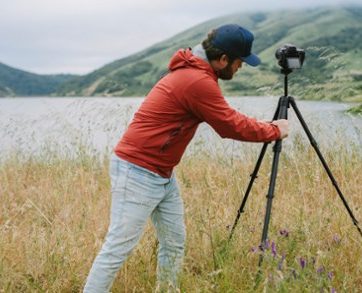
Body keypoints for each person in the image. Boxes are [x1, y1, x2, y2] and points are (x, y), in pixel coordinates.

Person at [83, 23, 290, 292]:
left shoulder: (195, 73)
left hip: (162, 173)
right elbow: (229, 126)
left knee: (174, 241)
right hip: (138, 171)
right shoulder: (197, 80)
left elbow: (227, 117)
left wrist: (262, 125)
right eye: (240, 62)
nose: (240, 68)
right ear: (224, 59)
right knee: (117, 249)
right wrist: (274, 130)